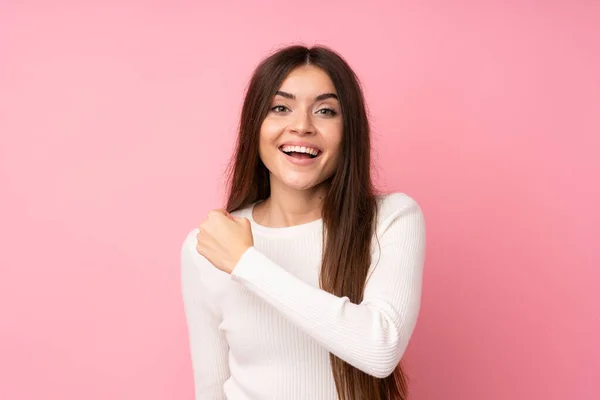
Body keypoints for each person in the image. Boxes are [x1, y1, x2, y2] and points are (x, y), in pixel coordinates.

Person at [180, 44, 426, 400]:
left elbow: (380, 348)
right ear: (255, 125)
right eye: (281, 107)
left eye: (325, 111)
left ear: (349, 131)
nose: (302, 126)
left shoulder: (391, 219)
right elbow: (211, 389)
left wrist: (247, 264)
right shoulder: (208, 245)